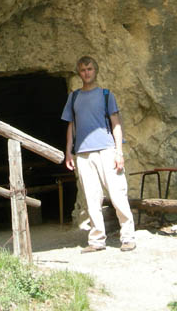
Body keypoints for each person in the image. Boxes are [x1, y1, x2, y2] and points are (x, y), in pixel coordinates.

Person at [62, 55, 136, 252]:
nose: (86, 73)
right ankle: (96, 241)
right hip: (84, 154)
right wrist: (69, 152)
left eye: (90, 69)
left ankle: (128, 237)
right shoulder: (74, 97)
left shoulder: (106, 95)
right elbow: (71, 125)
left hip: (106, 149)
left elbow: (116, 124)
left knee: (117, 193)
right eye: (83, 70)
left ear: (96, 71)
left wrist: (119, 152)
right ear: (79, 73)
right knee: (91, 198)